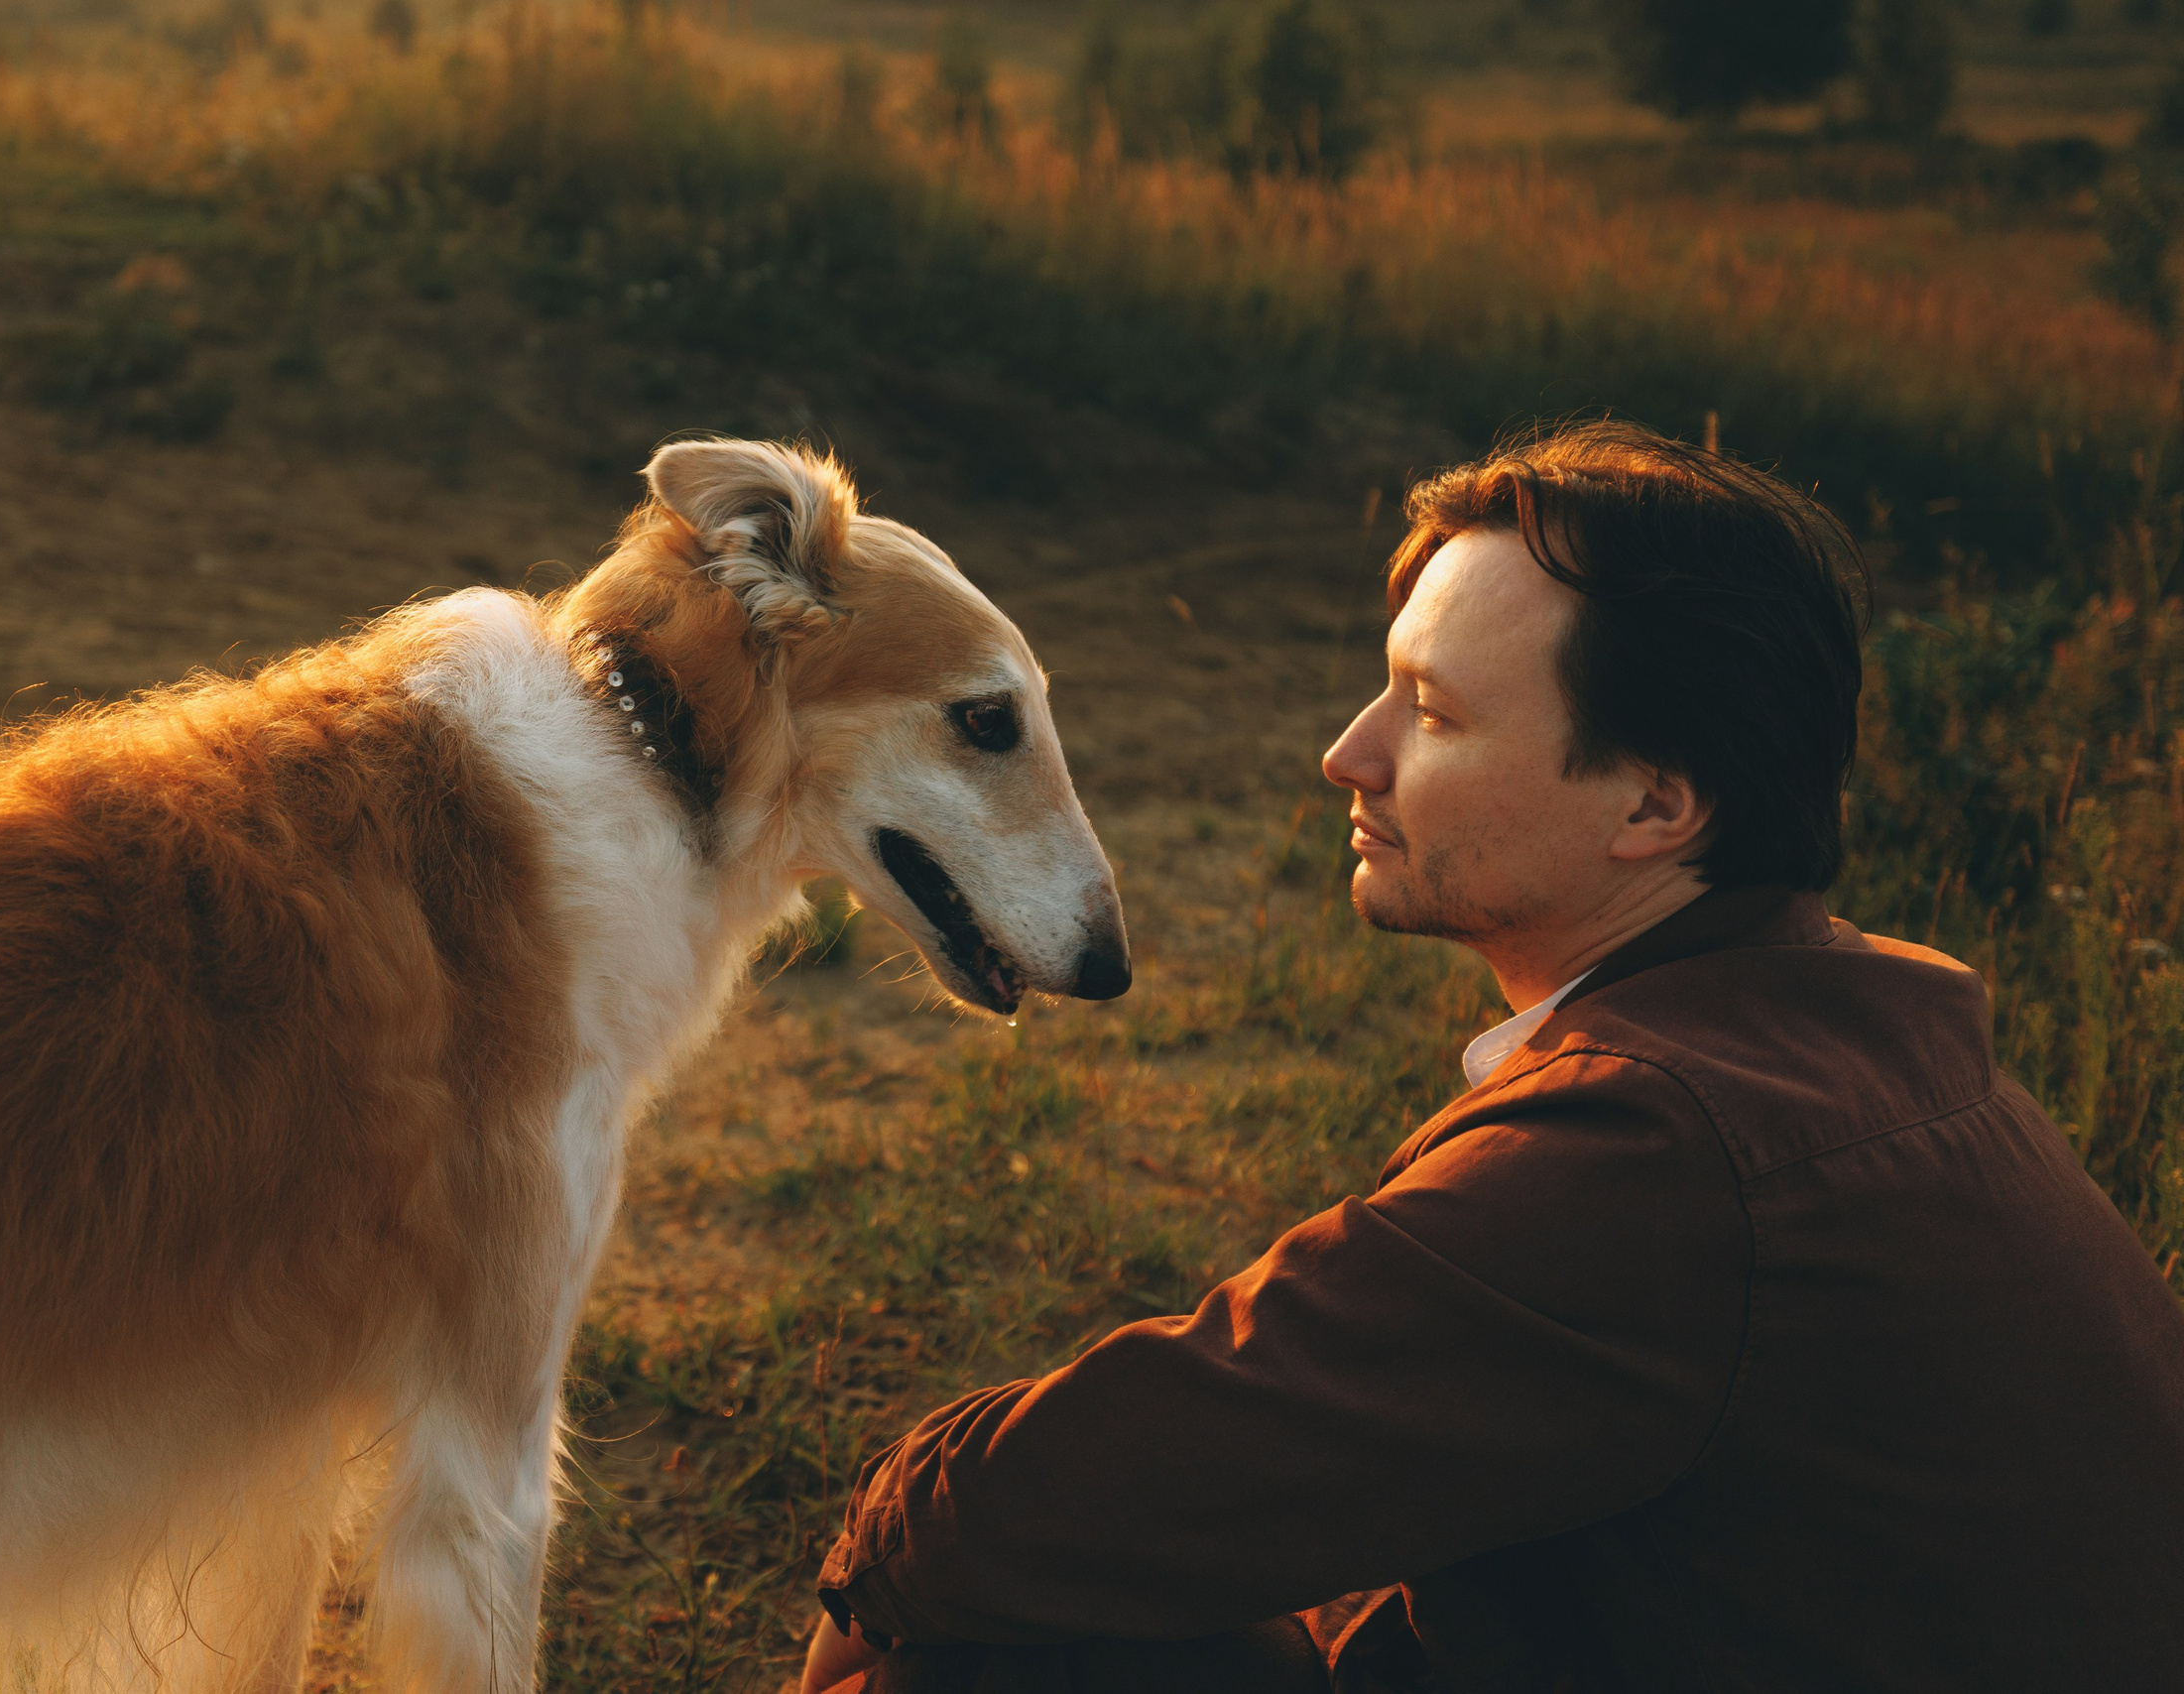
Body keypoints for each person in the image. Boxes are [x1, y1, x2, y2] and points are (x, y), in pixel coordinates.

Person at [796, 422, 2184, 1694]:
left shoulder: (1660, 1147)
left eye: (1434, 712)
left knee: (978, 1658)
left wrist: (875, 1611)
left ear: (1653, 802)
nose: (1351, 753)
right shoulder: (1859, 1037)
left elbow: (999, 1513)